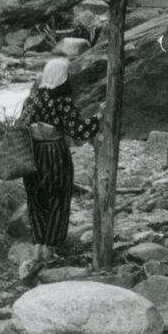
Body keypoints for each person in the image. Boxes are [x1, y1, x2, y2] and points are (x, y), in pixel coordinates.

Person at [18, 58, 100, 276]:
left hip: (33, 155)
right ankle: (50, 248)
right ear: (62, 76)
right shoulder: (61, 101)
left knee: (36, 200)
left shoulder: (32, 99)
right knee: (58, 198)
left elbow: (20, 126)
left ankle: (37, 247)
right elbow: (80, 132)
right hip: (55, 154)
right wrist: (97, 119)